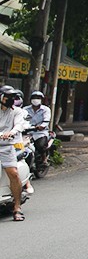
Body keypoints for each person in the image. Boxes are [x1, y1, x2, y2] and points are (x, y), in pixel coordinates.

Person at [0, 87, 29, 220]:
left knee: (13, 173)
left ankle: (17, 207)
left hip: (6, 147)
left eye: (12, 97)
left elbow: (18, 125)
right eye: (7, 97)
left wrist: (11, 133)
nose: (10, 100)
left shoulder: (17, 112)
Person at [23, 89, 52, 173]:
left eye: (38, 98)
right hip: (27, 132)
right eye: (34, 97)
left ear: (41, 100)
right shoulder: (25, 109)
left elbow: (46, 121)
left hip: (40, 132)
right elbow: (21, 119)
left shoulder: (46, 110)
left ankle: (44, 160)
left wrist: (41, 126)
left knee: (40, 146)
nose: (36, 99)